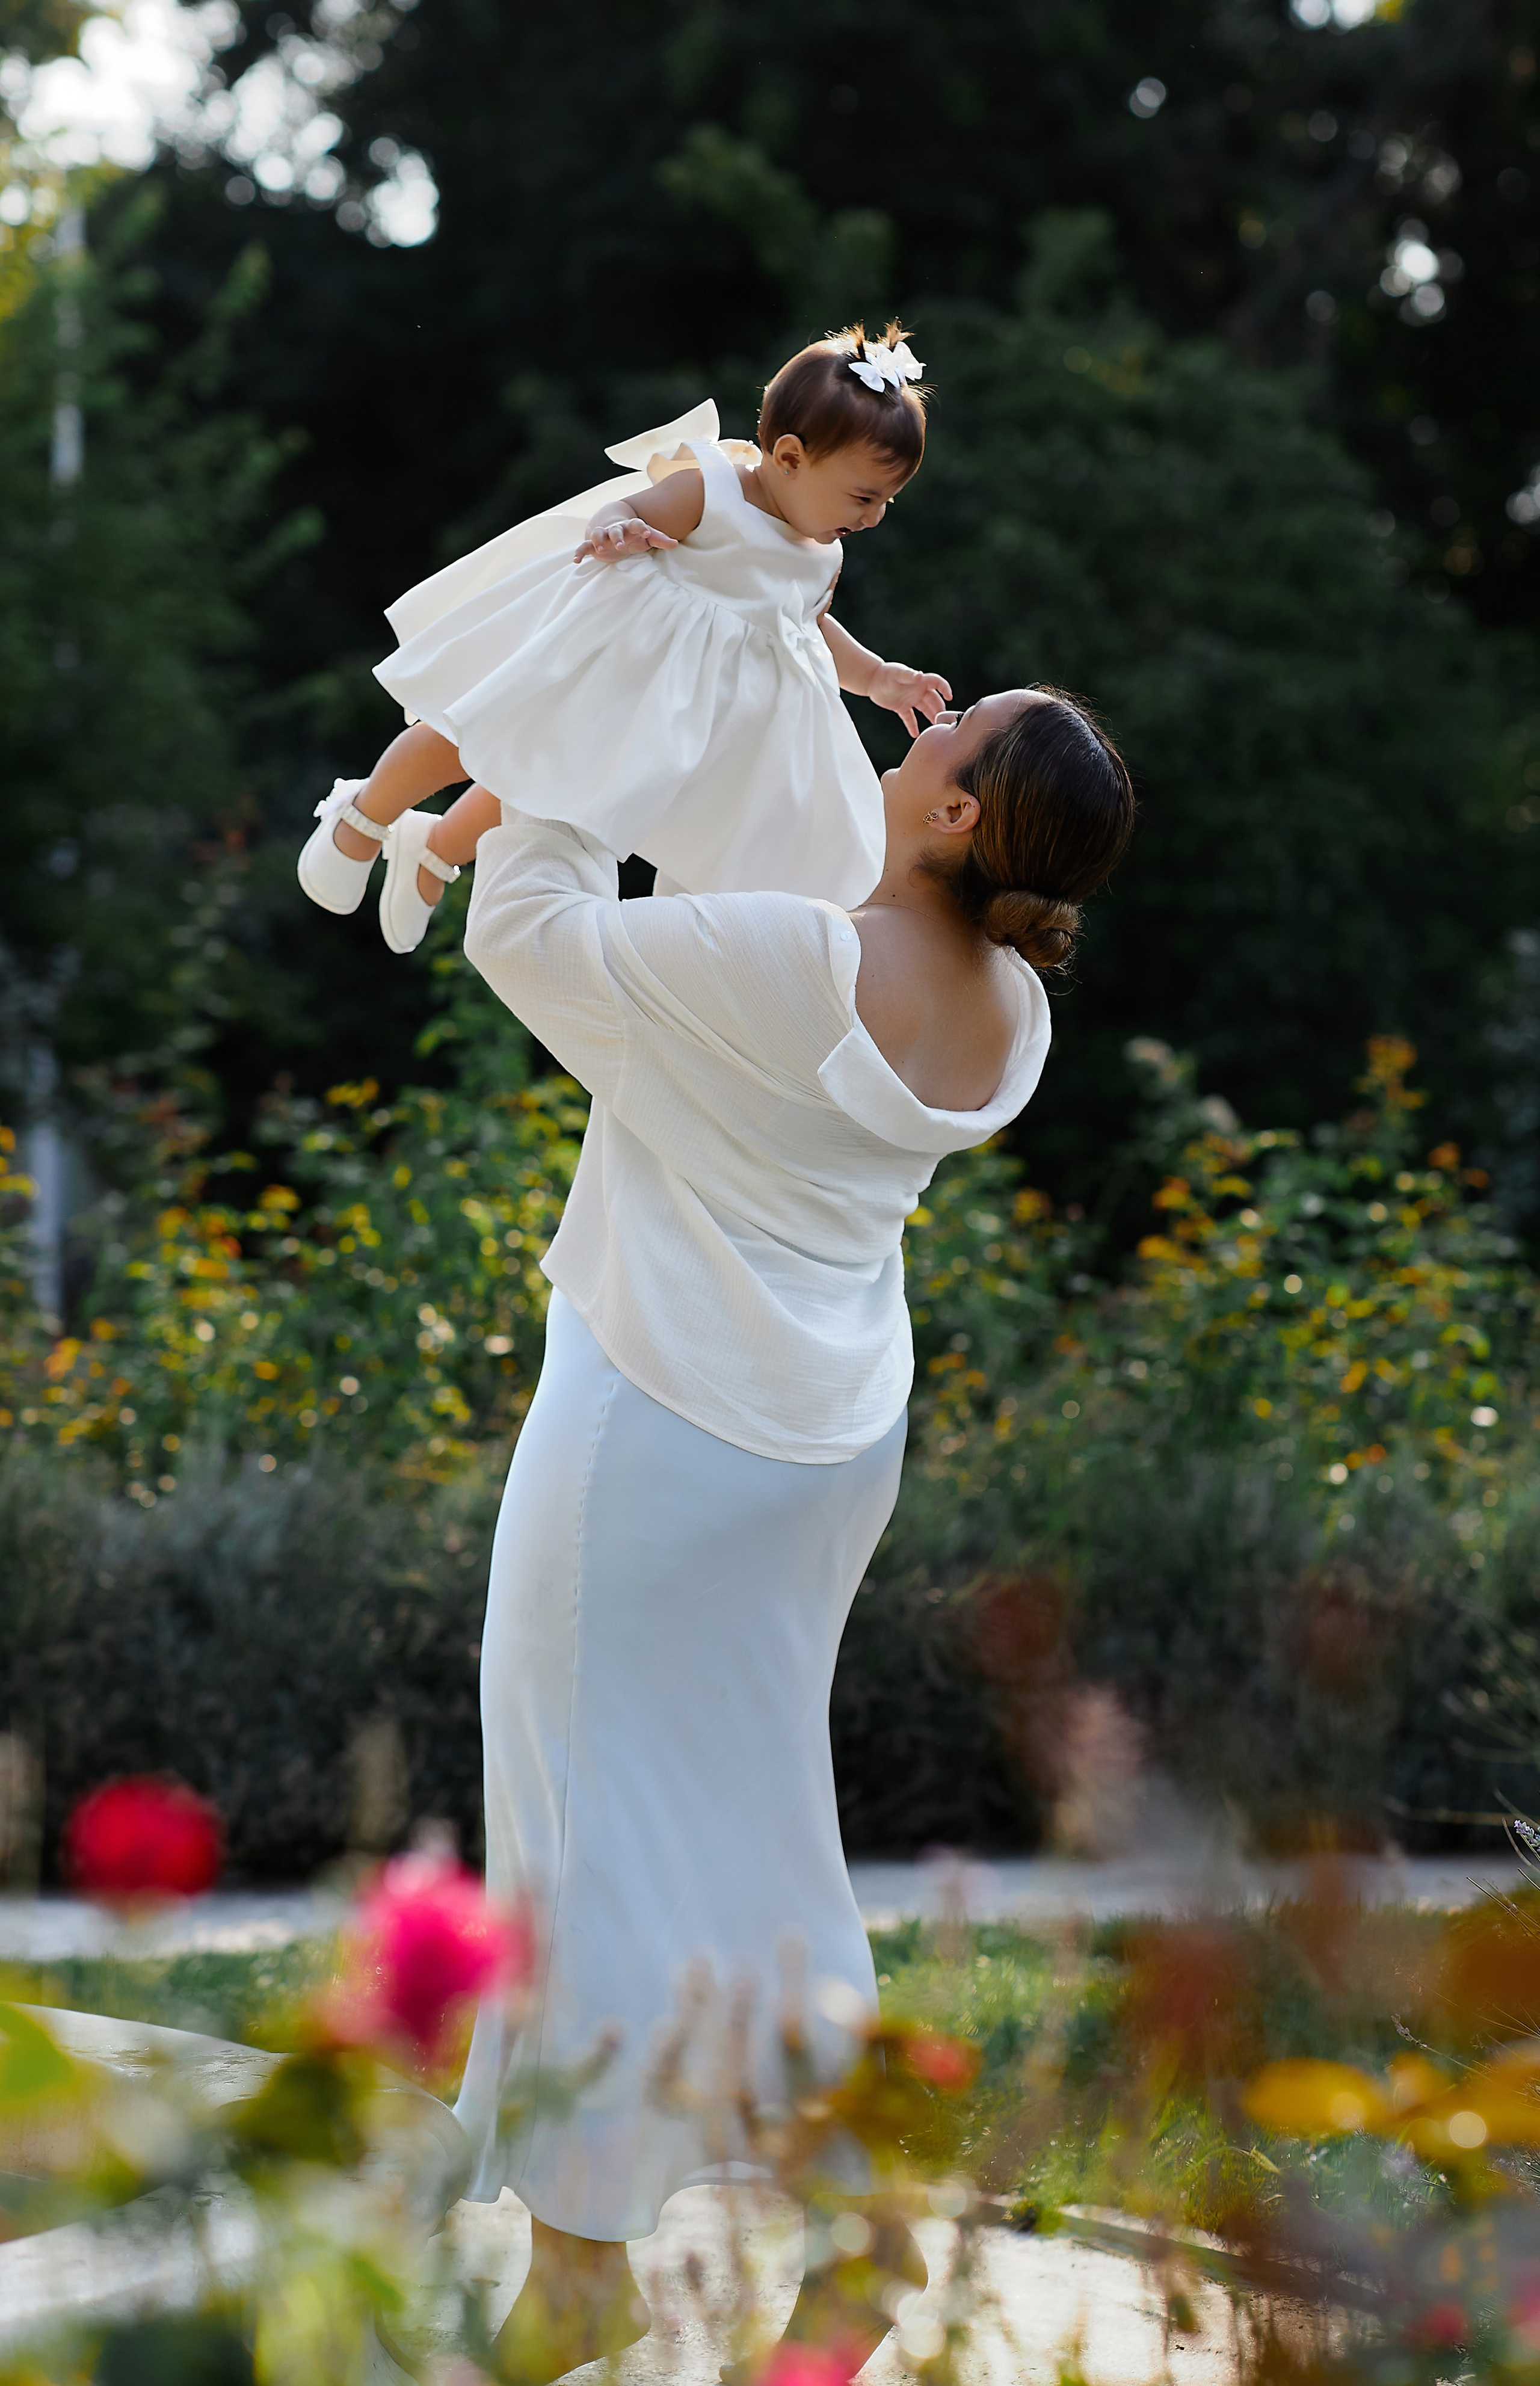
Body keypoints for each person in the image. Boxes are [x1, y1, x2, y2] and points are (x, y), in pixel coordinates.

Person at [449, 684, 1137, 2382]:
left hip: (660, 1422)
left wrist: (565, 743)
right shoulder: (1009, 1011)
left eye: (945, 737)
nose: (913, 732)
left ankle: (582, 2264)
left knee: (580, 1821)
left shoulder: (794, 961)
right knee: (755, 1827)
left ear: (961, 813)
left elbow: (525, 934)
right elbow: (802, 854)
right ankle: (858, 2213)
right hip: (821, 1444)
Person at [295, 325, 951, 953]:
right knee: (479, 731)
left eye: (886, 502)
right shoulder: (714, 492)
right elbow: (626, 508)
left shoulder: (821, 552)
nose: (874, 517)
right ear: (789, 458)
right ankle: (363, 813)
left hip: (674, 708)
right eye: (863, 497)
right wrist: (615, 529)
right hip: (618, 655)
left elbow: (804, 626)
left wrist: (874, 676)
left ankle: (436, 850)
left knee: (553, 784)